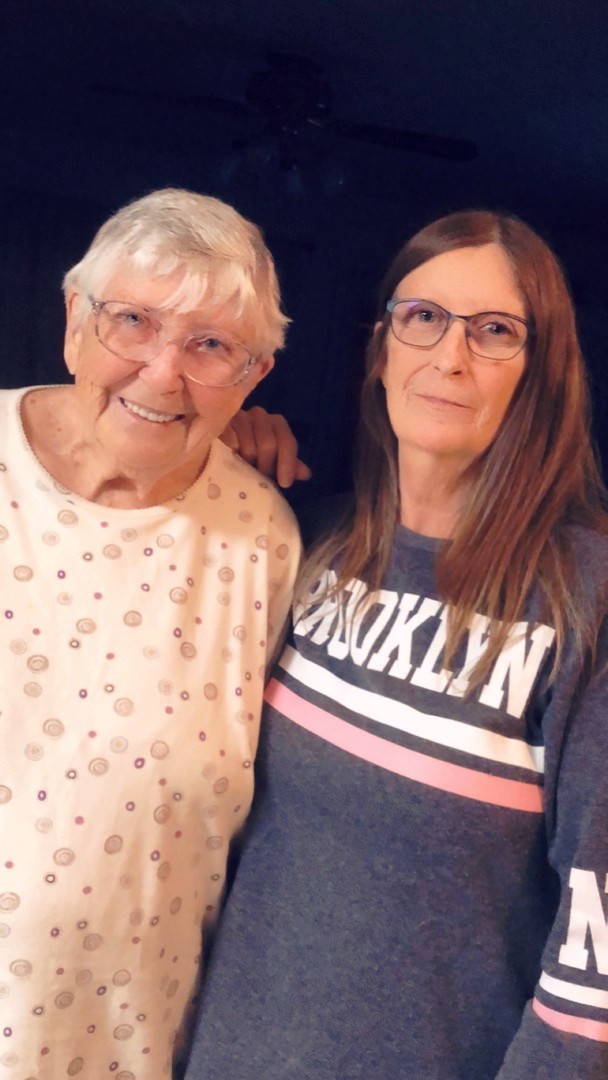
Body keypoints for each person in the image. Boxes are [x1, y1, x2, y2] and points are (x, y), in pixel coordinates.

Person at [185, 210, 608, 1078]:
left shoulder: (584, 602)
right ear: (381, 348)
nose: (450, 357)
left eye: (496, 332)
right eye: (423, 317)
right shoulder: (307, 545)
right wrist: (208, 454)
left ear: (542, 375)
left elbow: (592, 967)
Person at [0, 187, 301, 1078]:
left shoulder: (265, 542)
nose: (164, 372)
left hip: (119, 1053)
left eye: (211, 346)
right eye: (132, 320)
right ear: (73, 320)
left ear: (254, 377)